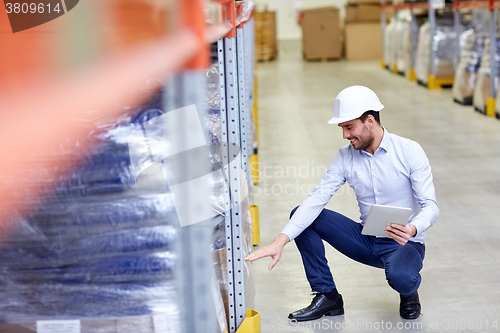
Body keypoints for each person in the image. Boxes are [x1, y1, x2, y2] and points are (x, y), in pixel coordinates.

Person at [245, 85, 439, 321]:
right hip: (367, 240)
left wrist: (412, 228)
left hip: (405, 243)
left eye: (349, 127)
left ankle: (408, 292)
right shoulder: (345, 156)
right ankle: (328, 296)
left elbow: (431, 205)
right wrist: (281, 240)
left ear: (369, 121)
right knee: (303, 215)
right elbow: (318, 198)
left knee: (402, 278)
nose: (345, 135)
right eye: (343, 128)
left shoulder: (409, 151)